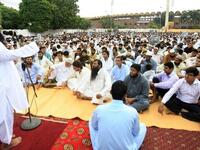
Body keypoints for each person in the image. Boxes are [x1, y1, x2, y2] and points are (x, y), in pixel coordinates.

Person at [0, 33, 39, 149]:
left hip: (4, 84)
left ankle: (6, 136)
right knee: (4, 113)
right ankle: (7, 142)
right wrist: (32, 47)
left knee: (6, 111)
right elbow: (9, 55)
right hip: (3, 86)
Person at [89, 80, 147, 150]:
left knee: (91, 123)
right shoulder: (132, 111)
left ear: (110, 92)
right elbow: (135, 133)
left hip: (101, 148)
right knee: (143, 127)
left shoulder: (99, 109)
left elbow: (94, 127)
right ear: (125, 95)